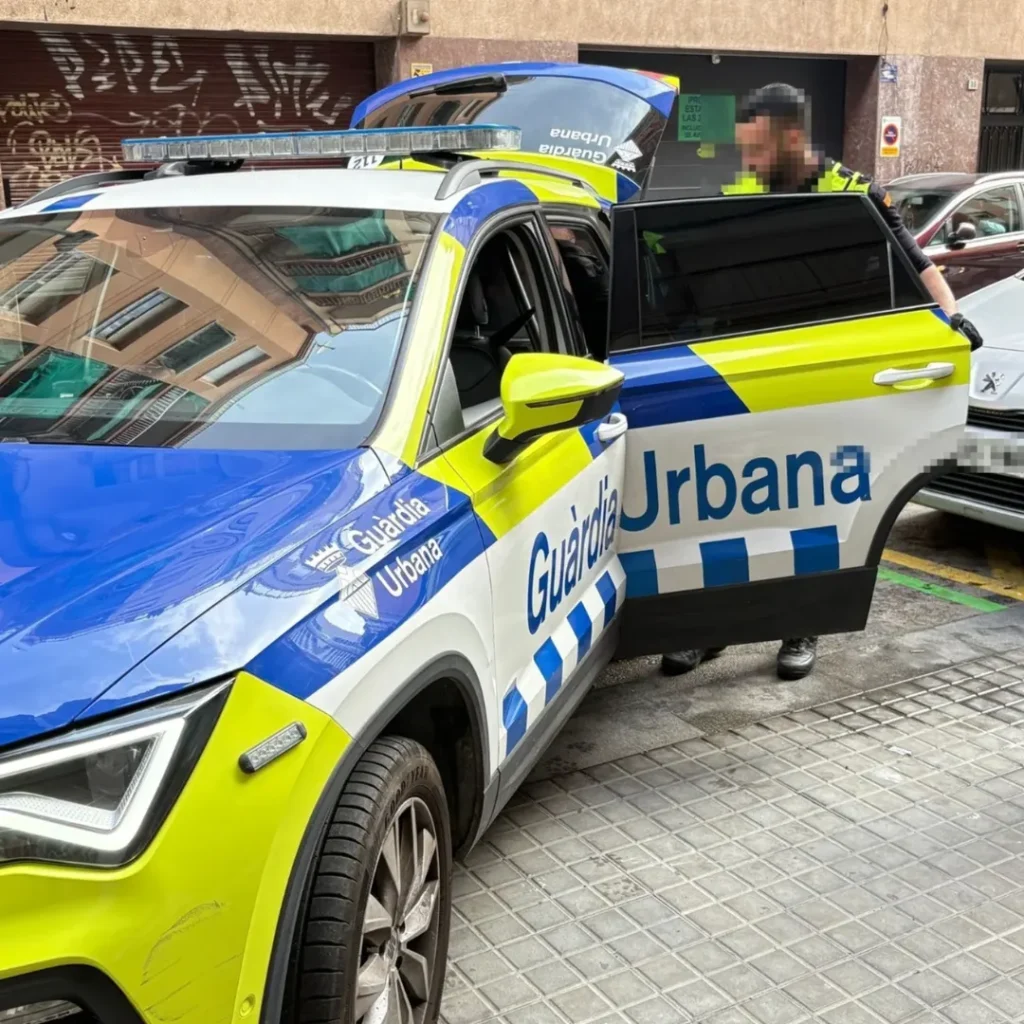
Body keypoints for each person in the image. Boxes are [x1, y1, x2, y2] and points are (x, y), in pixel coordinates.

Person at [662, 82, 983, 682]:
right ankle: (713, 628)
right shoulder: (738, 193)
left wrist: (951, 320)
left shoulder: (854, 193)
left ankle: (800, 625)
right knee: (731, 514)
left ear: (790, 136)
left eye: (757, 147)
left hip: (826, 378)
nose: (748, 160)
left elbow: (916, 266)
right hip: (750, 378)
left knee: (811, 511)